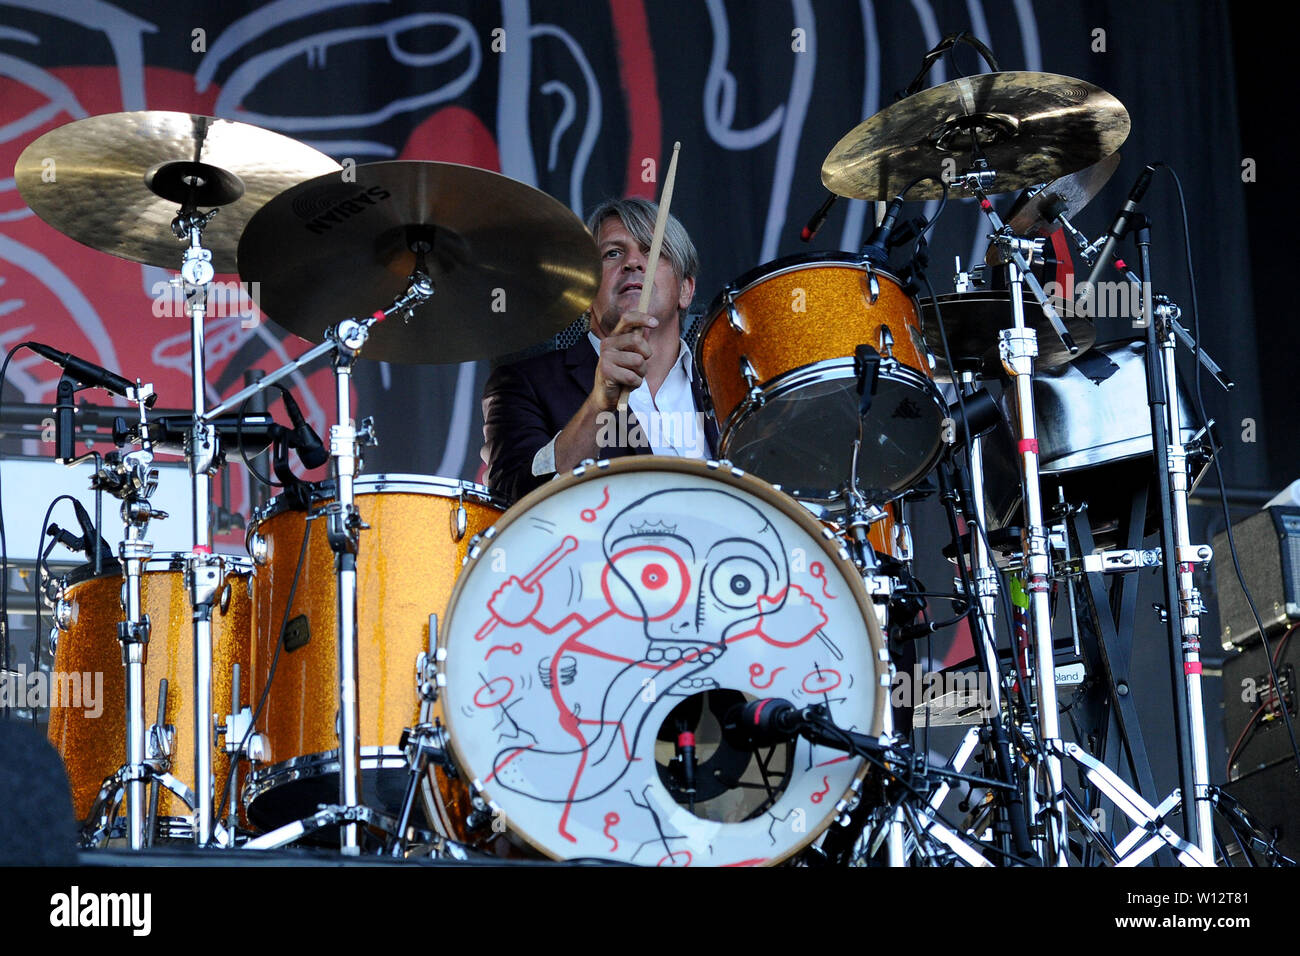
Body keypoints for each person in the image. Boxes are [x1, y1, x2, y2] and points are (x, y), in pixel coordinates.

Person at [482, 198, 719, 504]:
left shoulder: (724, 386)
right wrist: (598, 405)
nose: (633, 263)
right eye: (613, 253)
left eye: (653, 250)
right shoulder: (521, 384)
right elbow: (512, 504)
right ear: (587, 290)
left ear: (686, 289)